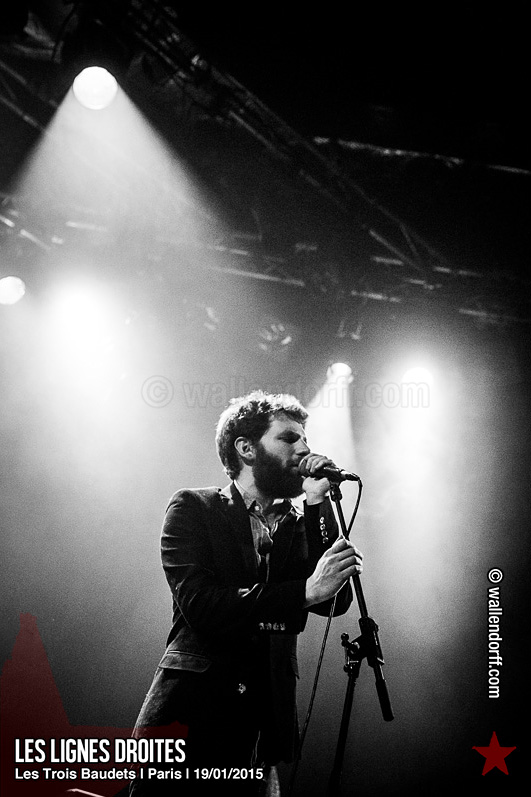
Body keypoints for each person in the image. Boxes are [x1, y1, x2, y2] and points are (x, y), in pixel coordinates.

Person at [129, 391, 363, 795]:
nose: (304, 449)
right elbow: (202, 606)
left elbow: (334, 600)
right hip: (189, 722)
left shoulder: (299, 523)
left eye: (305, 439)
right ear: (246, 448)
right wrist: (302, 592)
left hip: (260, 731)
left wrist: (317, 503)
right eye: (288, 438)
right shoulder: (194, 508)